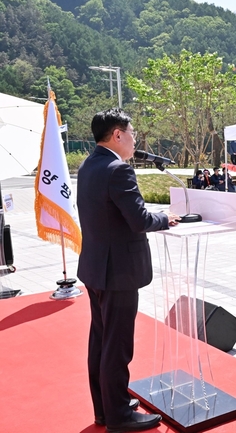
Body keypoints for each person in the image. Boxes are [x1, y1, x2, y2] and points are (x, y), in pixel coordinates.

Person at [77, 108, 177, 431]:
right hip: (117, 271)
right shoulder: (118, 170)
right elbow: (139, 220)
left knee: (100, 340)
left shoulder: (88, 166)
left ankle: (105, 408)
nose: (135, 140)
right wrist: (166, 218)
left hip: (95, 268)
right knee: (117, 346)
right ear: (117, 135)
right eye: (132, 134)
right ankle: (119, 416)